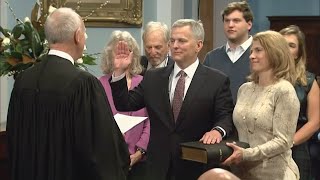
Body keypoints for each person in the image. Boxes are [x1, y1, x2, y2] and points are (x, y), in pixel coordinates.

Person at [6, 8, 129, 180]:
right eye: (85, 33)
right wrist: (116, 142)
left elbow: (12, 142)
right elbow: (102, 154)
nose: (85, 38)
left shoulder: (23, 81)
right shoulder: (83, 85)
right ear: (78, 36)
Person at [110, 19, 234, 180]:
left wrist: (217, 130)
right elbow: (125, 103)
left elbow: (225, 116)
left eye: (182, 41)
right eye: (172, 41)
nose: (175, 45)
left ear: (199, 45)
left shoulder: (216, 80)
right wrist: (119, 72)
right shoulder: (153, 77)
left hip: (196, 167)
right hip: (158, 168)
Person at [222, 30, 300, 180]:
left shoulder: (284, 90)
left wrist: (247, 154)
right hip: (242, 172)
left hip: (275, 174)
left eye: (258, 50)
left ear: (274, 53)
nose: (251, 56)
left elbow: (284, 141)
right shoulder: (244, 89)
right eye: (251, 51)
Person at [99, 30, 150, 180]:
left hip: (141, 161)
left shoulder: (144, 82)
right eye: (117, 51)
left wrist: (140, 152)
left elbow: (150, 121)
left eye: (127, 51)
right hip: (109, 159)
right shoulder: (98, 84)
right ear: (110, 55)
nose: (122, 55)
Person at [279, 25, 320, 180]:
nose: (286, 49)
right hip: (265, 143)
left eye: (291, 45)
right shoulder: (263, 77)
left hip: (298, 144)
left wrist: (288, 143)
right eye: (282, 44)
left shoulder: (308, 81)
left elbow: (315, 122)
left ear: (298, 53)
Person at [203, 1, 253, 103]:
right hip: (217, 117)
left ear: (249, 24)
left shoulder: (261, 56)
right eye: (227, 21)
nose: (230, 25)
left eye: (236, 20)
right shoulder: (212, 58)